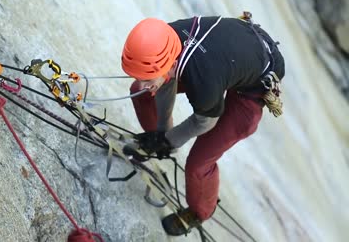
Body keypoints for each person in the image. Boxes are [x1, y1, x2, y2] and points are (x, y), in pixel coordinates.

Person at [121, 13, 285, 236]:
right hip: (232, 56)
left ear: (168, 64)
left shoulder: (204, 82)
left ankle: (199, 213)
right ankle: (152, 143)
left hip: (253, 85)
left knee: (199, 164)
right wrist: (161, 133)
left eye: (148, 77)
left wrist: (169, 141)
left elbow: (204, 122)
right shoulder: (165, 38)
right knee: (140, 93)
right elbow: (168, 79)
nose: (143, 82)